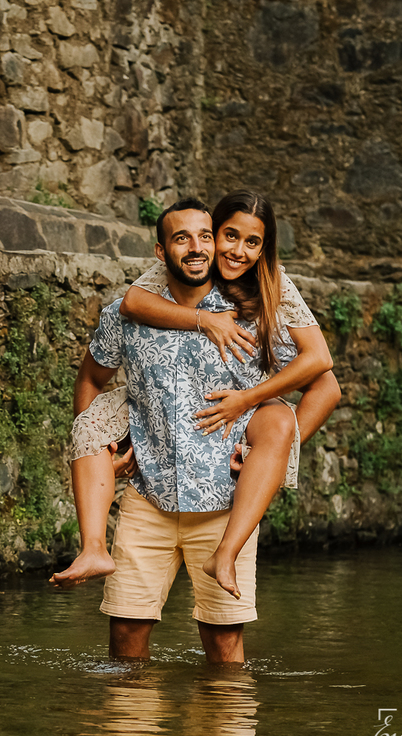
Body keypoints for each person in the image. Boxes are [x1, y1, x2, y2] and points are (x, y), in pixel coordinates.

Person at [51, 197, 276, 663]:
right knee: (125, 637)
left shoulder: (255, 313)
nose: (195, 248)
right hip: (146, 499)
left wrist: (268, 449)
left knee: (225, 643)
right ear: (160, 252)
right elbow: (91, 381)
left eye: (205, 236)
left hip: (223, 502)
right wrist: (111, 441)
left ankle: (222, 734)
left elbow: (317, 384)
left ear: (215, 244)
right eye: (181, 238)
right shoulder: (124, 314)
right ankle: (132, 734)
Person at [117, 190, 341, 599]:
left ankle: (227, 552)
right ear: (210, 232)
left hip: (231, 450)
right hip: (161, 473)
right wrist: (206, 321)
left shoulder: (273, 284)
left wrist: (262, 429)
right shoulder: (189, 264)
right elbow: (132, 301)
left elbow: (322, 365)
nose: (238, 251)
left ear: (264, 248)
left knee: (275, 422)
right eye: (229, 236)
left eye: (252, 242)